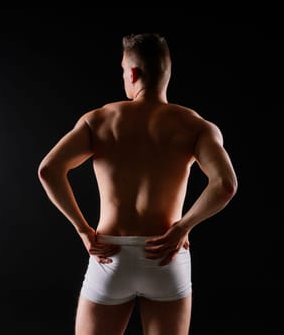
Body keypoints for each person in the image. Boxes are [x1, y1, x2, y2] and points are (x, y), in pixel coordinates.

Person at [37, 32, 238, 335]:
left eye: (123, 71)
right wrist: (183, 227)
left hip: (109, 253)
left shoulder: (100, 119)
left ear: (132, 72)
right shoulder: (195, 126)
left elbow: (48, 170)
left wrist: (83, 229)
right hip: (165, 255)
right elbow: (225, 185)